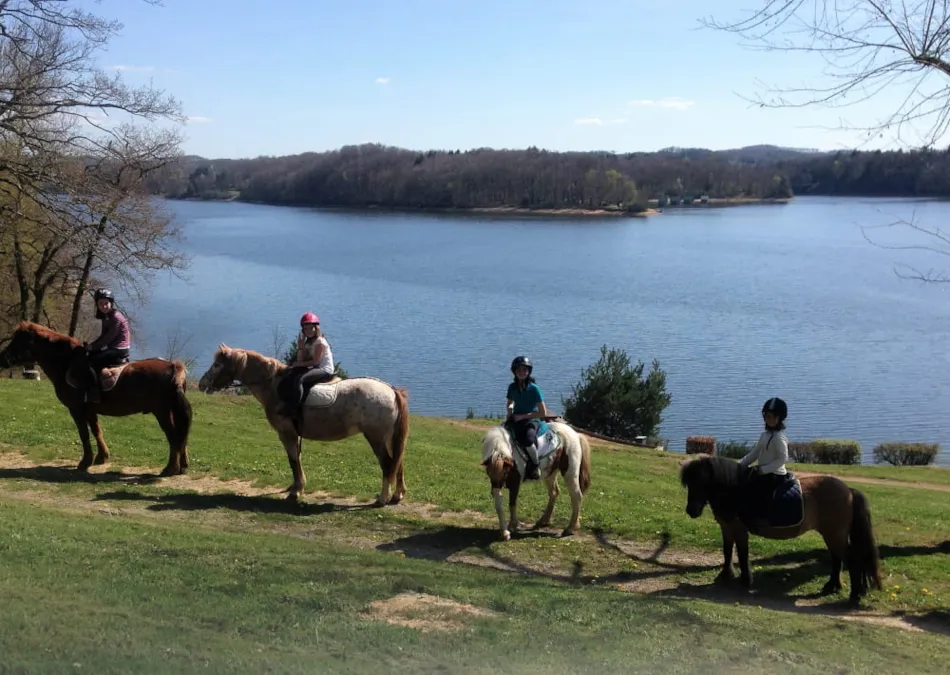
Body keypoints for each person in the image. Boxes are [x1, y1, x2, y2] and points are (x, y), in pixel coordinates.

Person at [738, 396, 792, 523]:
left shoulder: (779, 437)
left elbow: (782, 458)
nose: (770, 419)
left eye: (773, 417)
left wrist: (763, 470)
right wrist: (740, 464)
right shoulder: (765, 435)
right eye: (768, 416)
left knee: (756, 491)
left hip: (775, 475)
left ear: (780, 418)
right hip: (762, 472)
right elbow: (755, 453)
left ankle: (762, 520)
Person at [275, 312, 335, 418]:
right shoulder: (308, 342)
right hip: (314, 367)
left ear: (316, 328)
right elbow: (301, 359)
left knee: (300, 379)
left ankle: (295, 408)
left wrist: (299, 364)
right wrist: (301, 348)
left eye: (311, 328)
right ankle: (285, 400)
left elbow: (316, 361)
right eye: (306, 329)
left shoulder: (320, 342)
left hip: (324, 369)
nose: (308, 331)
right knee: (290, 374)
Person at [80, 288, 131, 403]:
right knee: (90, 355)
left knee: (93, 362)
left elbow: (108, 338)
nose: (103, 306)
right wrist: (92, 346)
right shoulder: (106, 316)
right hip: (113, 347)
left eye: (106, 303)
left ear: (111, 303)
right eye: (100, 304)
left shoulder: (116, 317)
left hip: (120, 349)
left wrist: (93, 347)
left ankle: (94, 393)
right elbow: (103, 336)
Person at [505, 355, 550, 481]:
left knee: (529, 440)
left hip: (532, 420)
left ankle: (535, 465)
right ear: (514, 372)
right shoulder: (512, 387)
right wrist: (510, 411)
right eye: (519, 370)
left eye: (524, 369)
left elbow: (542, 413)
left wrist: (523, 416)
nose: (522, 372)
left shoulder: (535, 389)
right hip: (516, 418)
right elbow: (510, 403)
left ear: (529, 371)